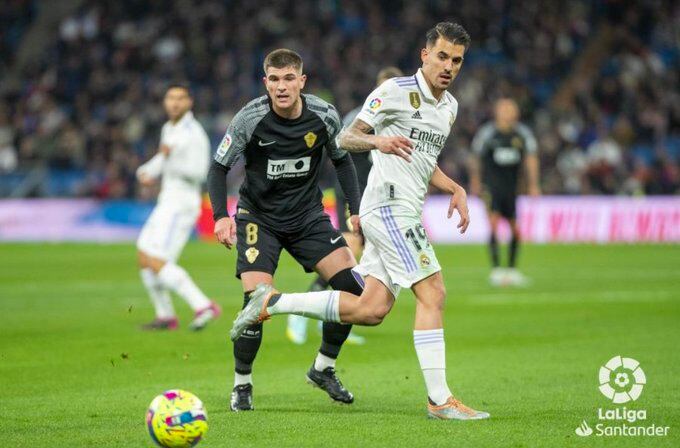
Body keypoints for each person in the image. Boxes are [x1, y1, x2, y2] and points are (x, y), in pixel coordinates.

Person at [230, 23, 490, 421]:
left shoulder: (448, 107)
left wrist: (453, 186)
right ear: (425, 55)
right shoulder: (394, 91)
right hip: (388, 208)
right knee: (433, 293)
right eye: (442, 56)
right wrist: (378, 141)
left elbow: (422, 160)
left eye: (456, 60)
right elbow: (348, 138)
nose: (449, 66)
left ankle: (273, 302)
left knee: (371, 308)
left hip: (405, 206)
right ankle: (440, 401)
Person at [207, 49, 364, 411]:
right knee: (256, 299)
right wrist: (220, 216)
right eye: (274, 79)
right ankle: (242, 384)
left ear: (302, 82)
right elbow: (218, 169)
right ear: (265, 83)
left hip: (308, 216)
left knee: (354, 290)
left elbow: (343, 162)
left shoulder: (324, 115)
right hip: (258, 219)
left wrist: (355, 209)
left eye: (289, 78)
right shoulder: (249, 118)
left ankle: (324, 368)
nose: (281, 86)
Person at [285, 66, 404, 346]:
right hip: (353, 194)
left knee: (362, 263)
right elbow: (339, 146)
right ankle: (301, 313)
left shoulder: (402, 119)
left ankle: (337, 319)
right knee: (350, 250)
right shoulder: (359, 118)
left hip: (379, 199)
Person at [136, 84, 220, 331]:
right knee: (144, 255)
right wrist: (148, 171)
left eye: (180, 98)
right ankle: (165, 316)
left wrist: (167, 160)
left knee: (157, 258)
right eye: (170, 98)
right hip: (167, 200)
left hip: (181, 203)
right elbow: (165, 159)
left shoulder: (194, 133)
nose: (174, 103)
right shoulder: (168, 128)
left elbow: (199, 172)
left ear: (189, 102)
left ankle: (203, 305)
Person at [469, 98, 540, 286]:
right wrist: (475, 182)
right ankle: (496, 270)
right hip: (491, 187)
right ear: (497, 112)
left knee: (515, 229)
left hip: (512, 189)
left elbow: (531, 159)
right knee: (492, 224)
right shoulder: (488, 133)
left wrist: (533, 185)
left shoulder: (522, 134)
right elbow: (475, 158)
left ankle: (512, 269)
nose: (509, 113)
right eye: (505, 109)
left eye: (512, 109)